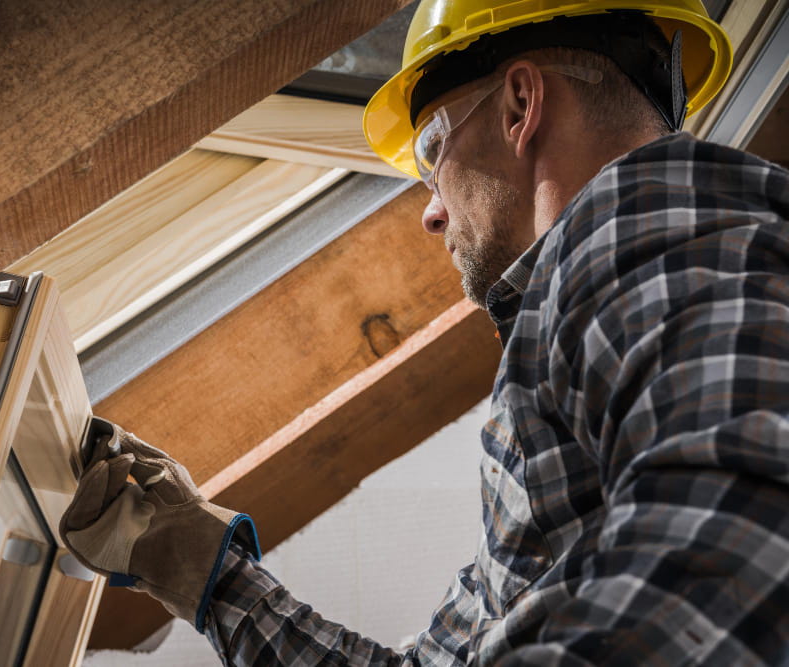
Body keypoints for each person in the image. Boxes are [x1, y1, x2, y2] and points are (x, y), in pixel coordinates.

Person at [59, 0, 789, 663]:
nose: (431, 211)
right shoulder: (596, 306)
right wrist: (208, 572)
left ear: (520, 106)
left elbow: (743, 558)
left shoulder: (645, 238)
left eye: (431, 154)